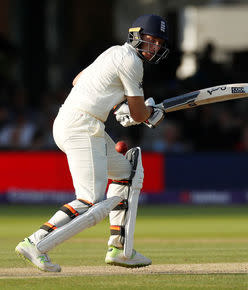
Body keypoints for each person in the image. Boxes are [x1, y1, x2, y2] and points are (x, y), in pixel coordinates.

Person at [15, 14, 170, 272]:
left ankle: (120, 249)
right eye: (150, 40)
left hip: (81, 122)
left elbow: (79, 80)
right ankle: (36, 242)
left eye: (158, 43)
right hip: (82, 126)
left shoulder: (112, 53)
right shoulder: (132, 61)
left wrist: (119, 105)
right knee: (90, 201)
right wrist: (152, 113)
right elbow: (139, 115)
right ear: (136, 35)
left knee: (127, 174)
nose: (153, 47)